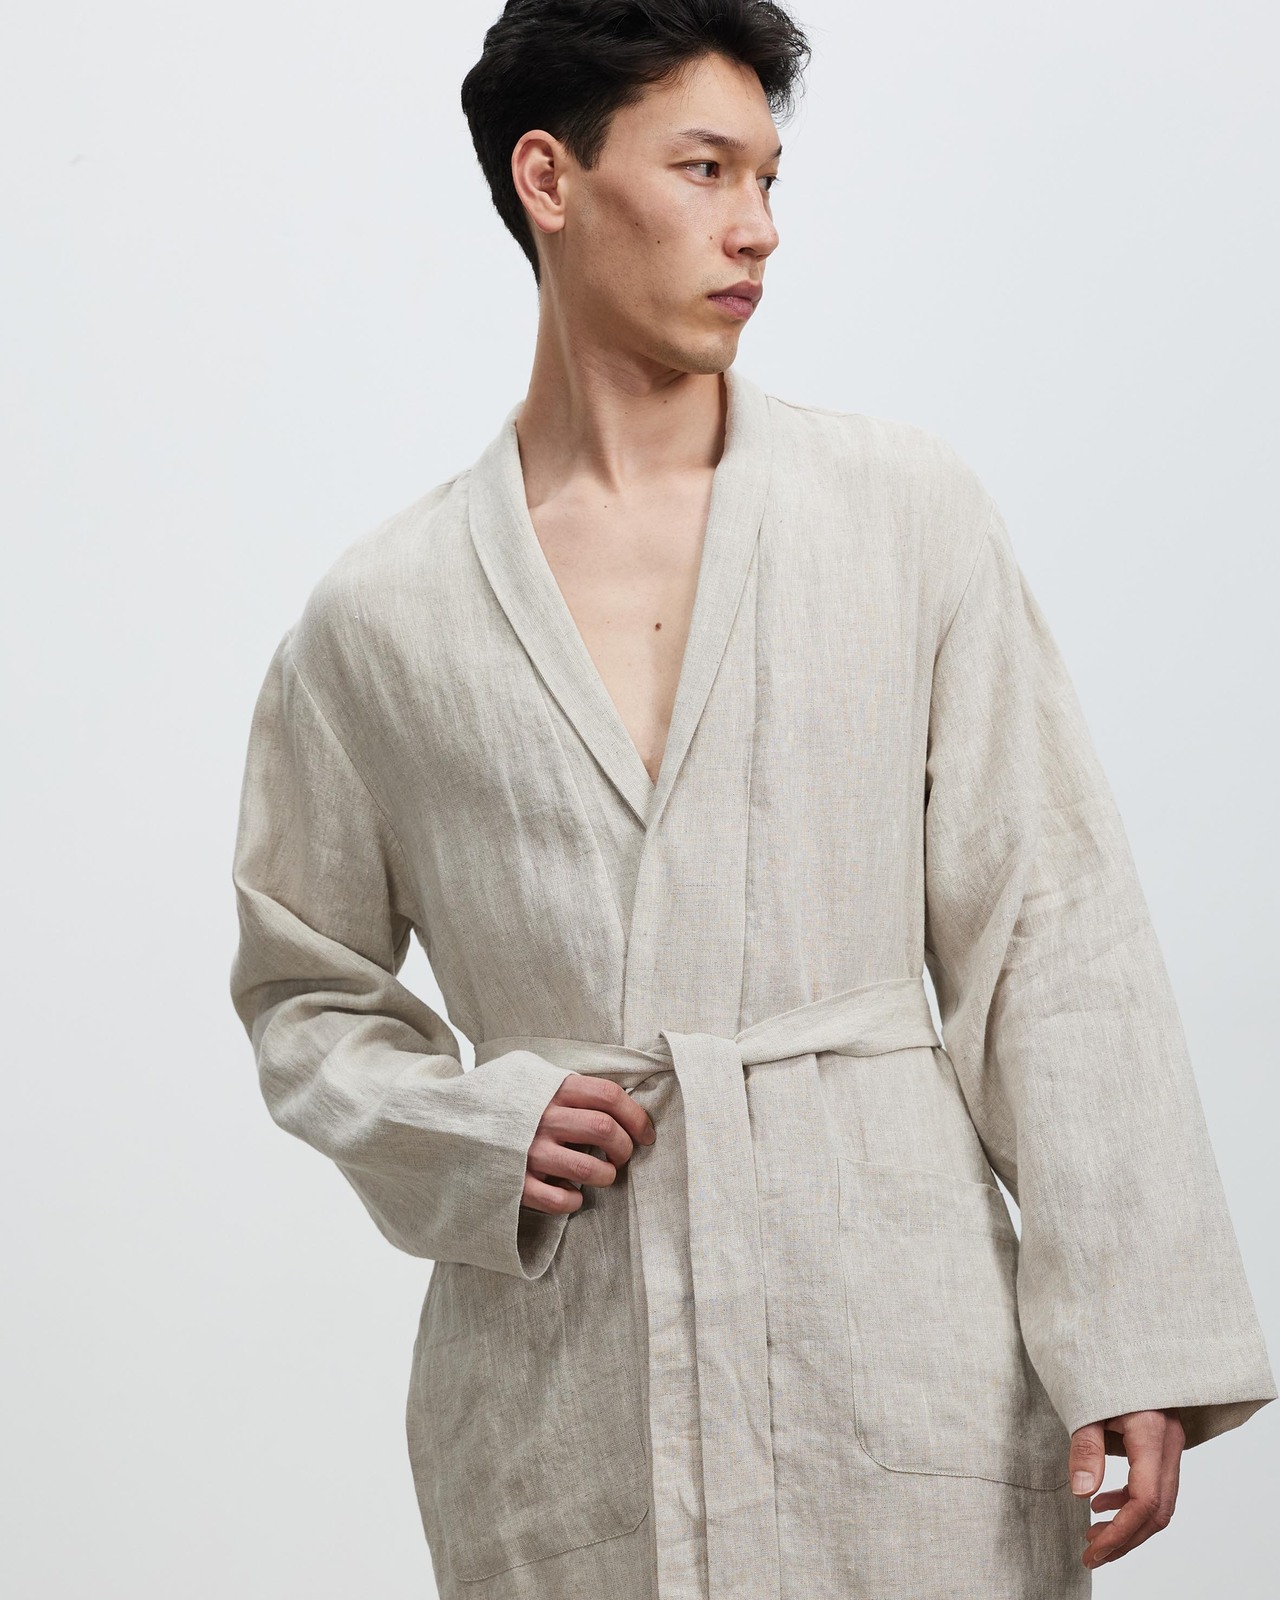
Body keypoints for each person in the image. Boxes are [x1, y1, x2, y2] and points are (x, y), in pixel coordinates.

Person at [227, 3, 1276, 1596]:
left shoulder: (900, 513)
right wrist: (472, 1128)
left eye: (770, 178)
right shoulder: (382, 618)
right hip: (567, 1385)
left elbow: (1048, 924)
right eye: (705, 169)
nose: (758, 229)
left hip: (900, 1346)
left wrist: (1133, 1330)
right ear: (548, 179)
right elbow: (305, 990)